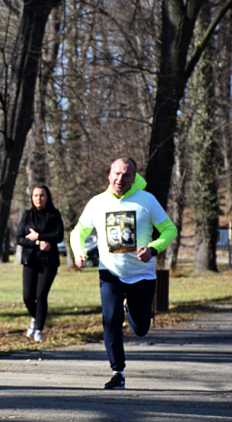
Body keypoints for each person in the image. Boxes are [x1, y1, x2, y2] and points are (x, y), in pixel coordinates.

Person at [70, 157, 178, 389]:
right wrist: (79, 252)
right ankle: (117, 372)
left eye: (126, 175)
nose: (120, 179)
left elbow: (170, 229)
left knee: (140, 329)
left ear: (134, 177)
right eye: (116, 174)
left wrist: (153, 248)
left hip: (142, 273)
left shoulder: (146, 200)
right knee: (110, 319)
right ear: (109, 175)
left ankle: (131, 305)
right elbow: (78, 231)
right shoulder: (97, 202)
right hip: (110, 271)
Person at [16, 185, 64, 342]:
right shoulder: (27, 216)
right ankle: (35, 318)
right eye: (35, 195)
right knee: (28, 297)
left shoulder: (54, 214)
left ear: (47, 197)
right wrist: (38, 243)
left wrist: (40, 236)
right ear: (31, 197)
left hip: (49, 261)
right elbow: (20, 238)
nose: (39, 198)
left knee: (41, 295)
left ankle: (39, 330)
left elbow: (59, 235)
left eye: (42, 195)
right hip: (30, 260)